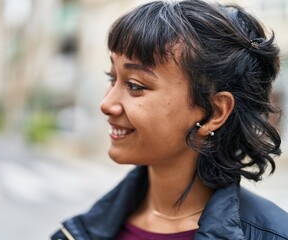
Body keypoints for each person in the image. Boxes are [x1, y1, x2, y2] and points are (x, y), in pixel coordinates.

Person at [51, 0, 288, 239]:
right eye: (112, 78)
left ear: (214, 113)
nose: (106, 104)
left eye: (135, 85)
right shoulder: (80, 231)